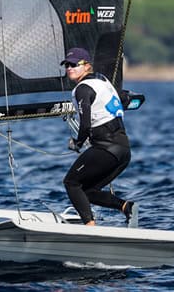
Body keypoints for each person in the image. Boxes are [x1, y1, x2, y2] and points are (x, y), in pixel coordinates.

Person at [60, 47, 139, 227]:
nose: (69, 68)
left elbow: (85, 125)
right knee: (87, 191)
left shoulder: (82, 89)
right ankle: (126, 207)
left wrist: (77, 143)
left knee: (71, 183)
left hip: (106, 148)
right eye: (67, 65)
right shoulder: (103, 81)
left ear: (87, 65)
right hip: (124, 151)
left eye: (74, 64)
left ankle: (89, 227)